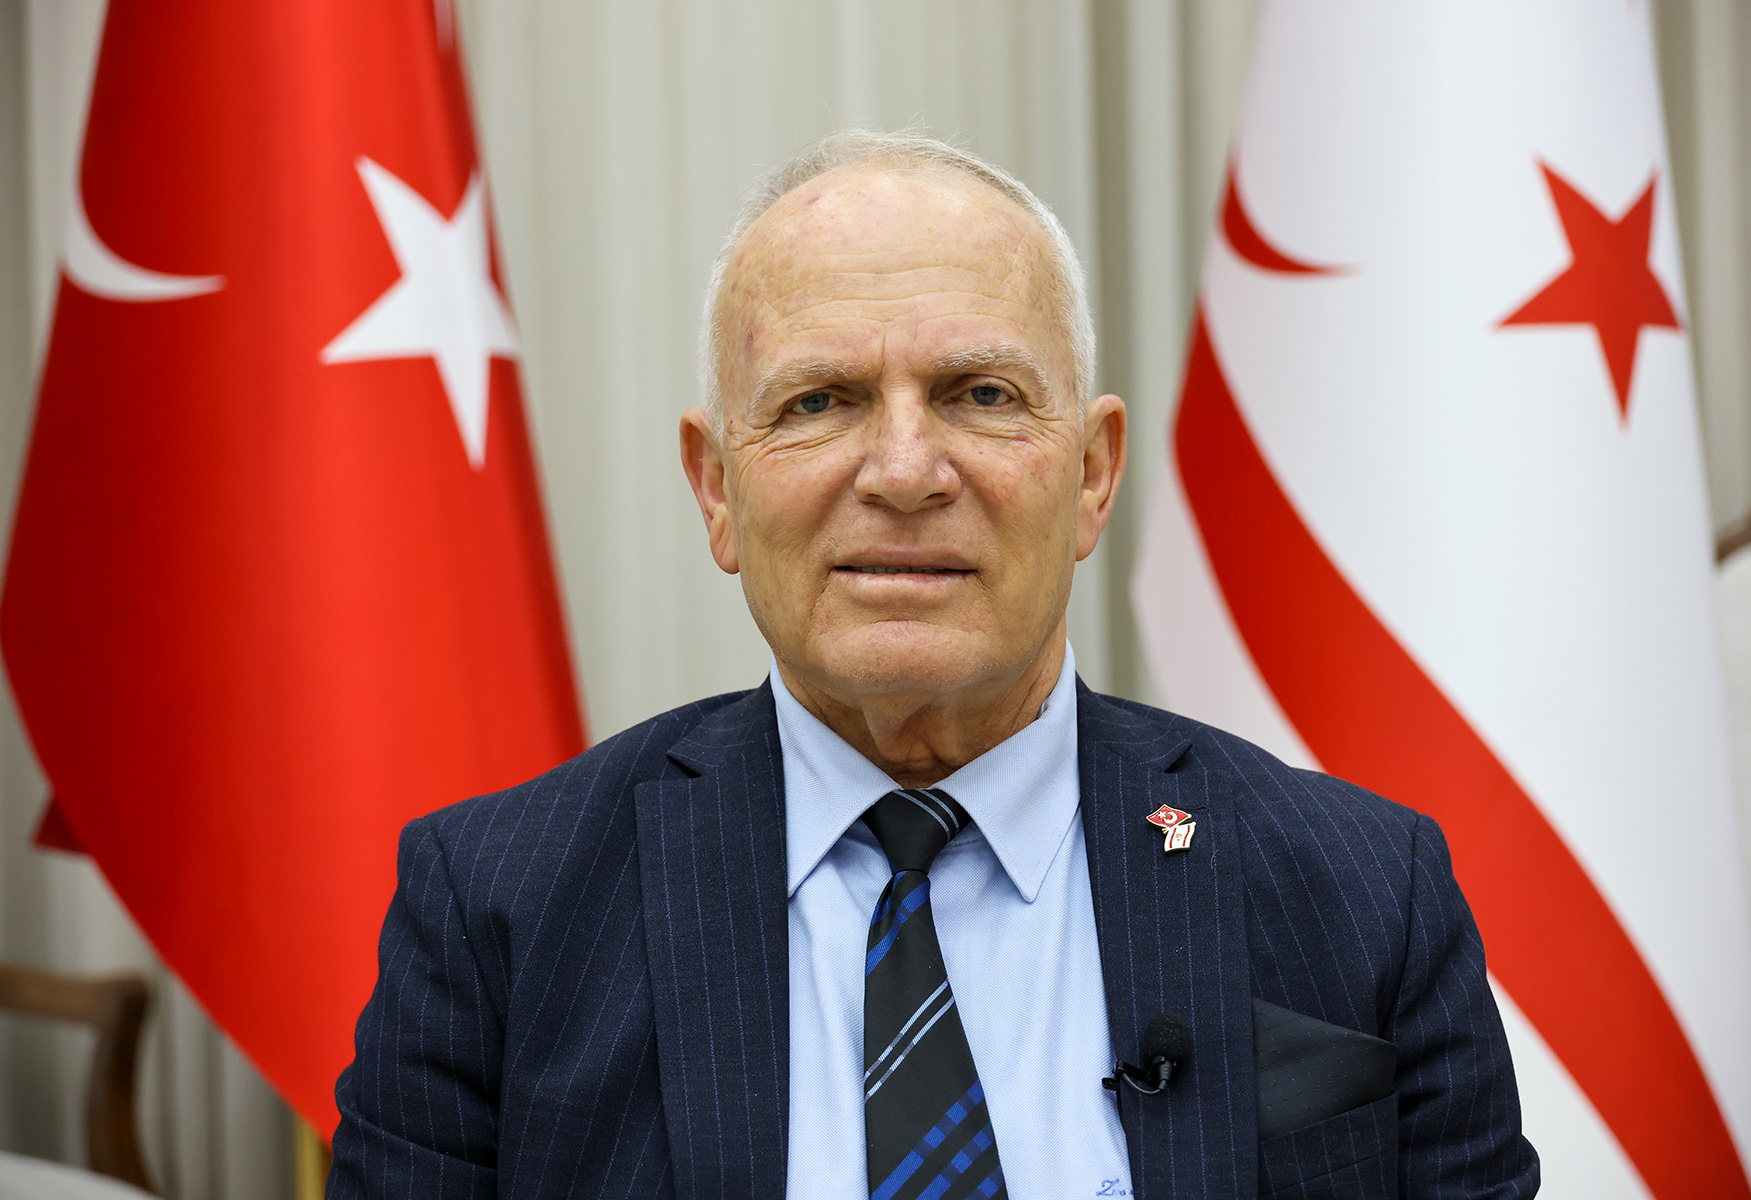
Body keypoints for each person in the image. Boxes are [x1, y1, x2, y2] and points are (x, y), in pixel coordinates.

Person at [328, 131, 1539, 1200]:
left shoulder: (1365, 892)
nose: (906, 472)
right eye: (819, 401)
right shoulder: (499, 911)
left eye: (980, 393)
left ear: (1093, 474)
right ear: (716, 490)